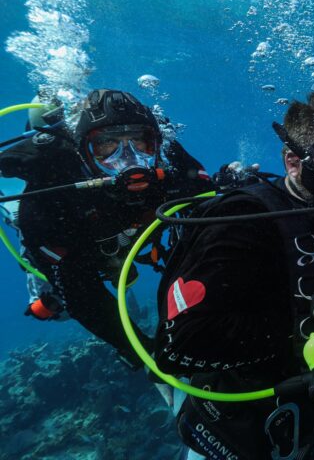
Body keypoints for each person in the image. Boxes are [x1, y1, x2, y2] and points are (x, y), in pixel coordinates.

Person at [154, 87, 314, 460]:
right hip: (229, 435)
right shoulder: (244, 224)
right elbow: (176, 347)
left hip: (302, 423)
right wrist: (302, 333)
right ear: (293, 162)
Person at [0, 89, 214, 369]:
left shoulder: (169, 161)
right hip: (75, 248)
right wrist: (143, 353)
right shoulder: (47, 197)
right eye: (107, 146)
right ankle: (49, 295)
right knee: (61, 303)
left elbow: (209, 205)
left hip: (126, 236)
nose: (129, 159)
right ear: (83, 151)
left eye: (140, 142)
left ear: (155, 142)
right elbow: (84, 298)